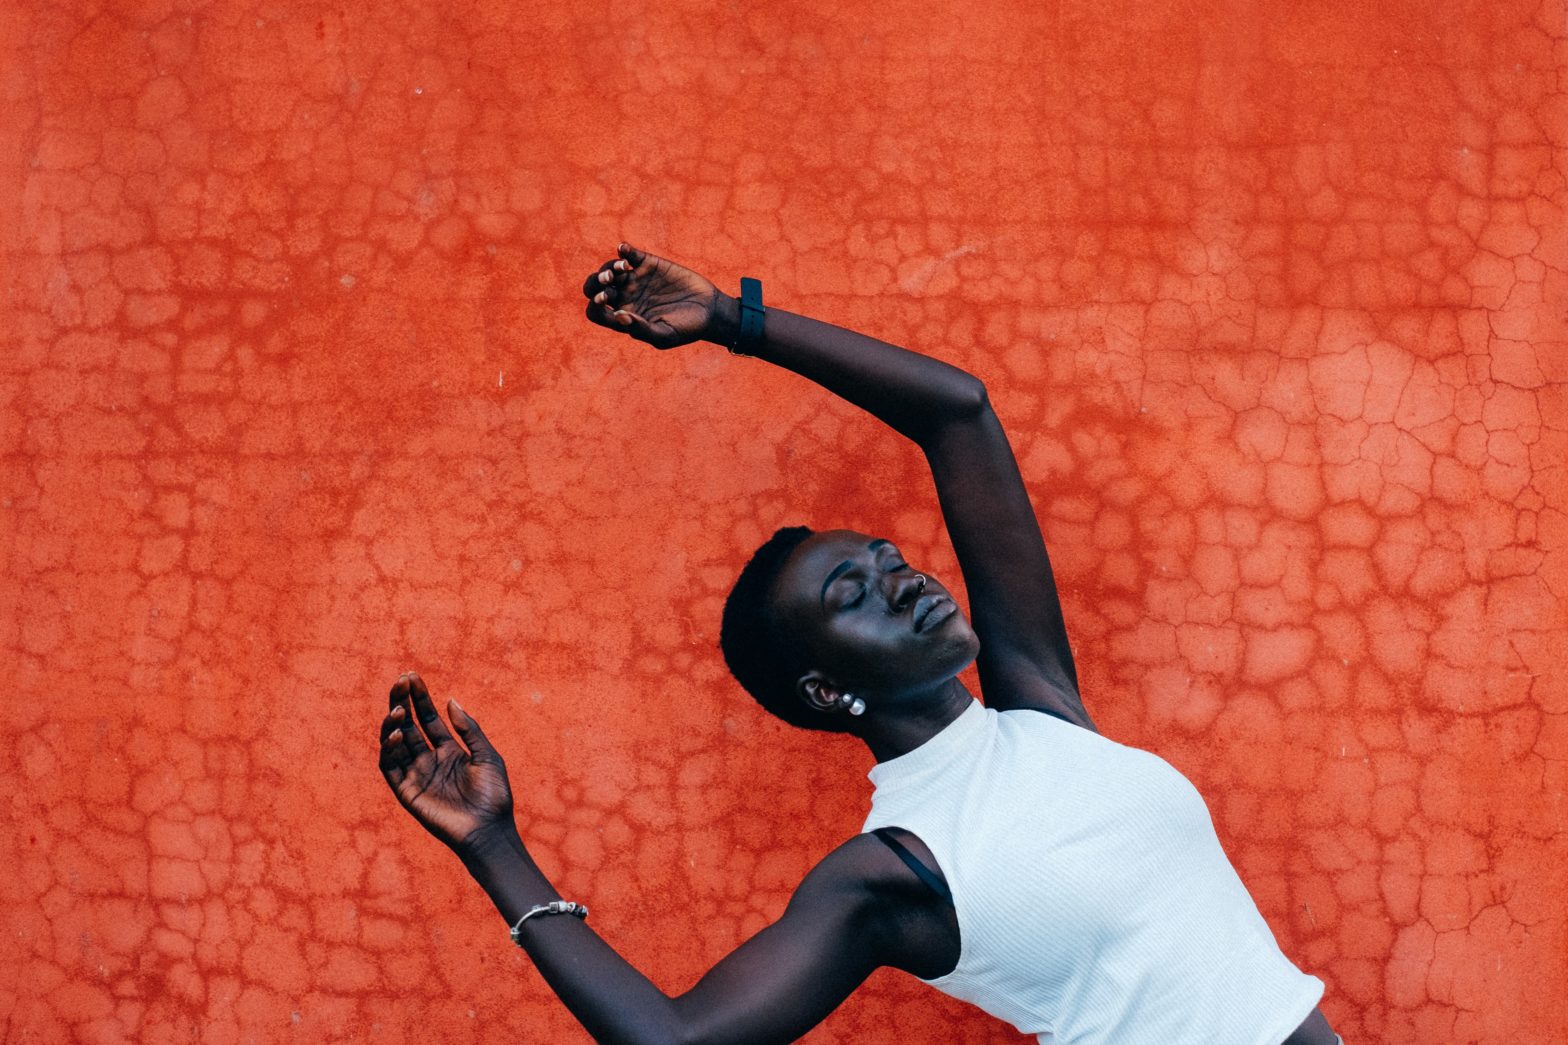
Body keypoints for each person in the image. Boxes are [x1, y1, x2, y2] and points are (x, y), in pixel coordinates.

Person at [375, 242, 1341, 1045]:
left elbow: (956, 413)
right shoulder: (892, 871)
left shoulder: (1039, 708)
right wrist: (494, 846)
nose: (904, 578)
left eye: (888, 558)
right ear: (825, 688)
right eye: (855, 592)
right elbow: (674, 1039)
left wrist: (736, 321)